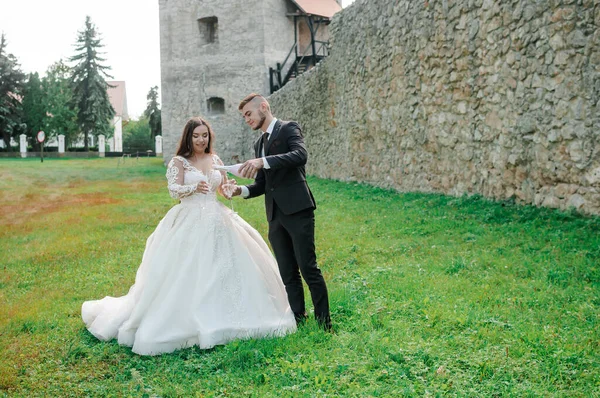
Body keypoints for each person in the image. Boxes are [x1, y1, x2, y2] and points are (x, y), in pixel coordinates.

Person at [81, 117, 296, 356]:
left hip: (218, 220)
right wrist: (193, 188)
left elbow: (222, 189)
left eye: (205, 135)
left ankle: (228, 316)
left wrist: (229, 189)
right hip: (189, 219)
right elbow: (174, 191)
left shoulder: (215, 160)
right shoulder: (179, 162)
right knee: (186, 271)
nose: (201, 140)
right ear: (188, 137)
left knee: (226, 268)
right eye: (196, 136)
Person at [231, 93, 331, 330]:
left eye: (249, 114)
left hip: (298, 209)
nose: (247, 119)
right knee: (287, 272)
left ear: (263, 107)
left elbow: (300, 155)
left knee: (308, 268)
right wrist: (239, 191)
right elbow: (263, 185)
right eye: (244, 116)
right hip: (274, 215)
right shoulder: (259, 144)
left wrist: (262, 162)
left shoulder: (288, 128)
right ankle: (299, 319)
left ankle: (324, 324)